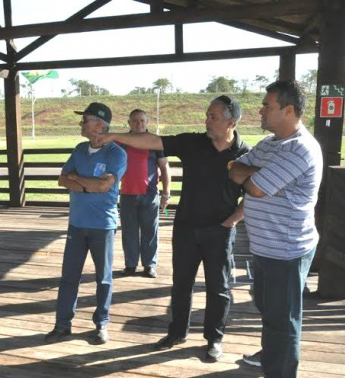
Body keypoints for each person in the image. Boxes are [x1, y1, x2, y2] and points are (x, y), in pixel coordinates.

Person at [94, 96, 249, 361]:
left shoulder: (245, 154)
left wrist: (233, 219)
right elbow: (153, 141)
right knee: (181, 285)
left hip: (219, 232)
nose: (206, 121)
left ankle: (214, 339)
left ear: (230, 122)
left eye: (213, 117)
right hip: (187, 228)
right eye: (207, 115)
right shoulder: (193, 142)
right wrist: (112, 136)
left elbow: (256, 193)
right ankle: (177, 332)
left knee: (218, 287)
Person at [229, 80, 322, 378]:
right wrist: (257, 175)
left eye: (267, 106)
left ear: (288, 110)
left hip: (287, 248)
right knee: (267, 304)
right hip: (264, 245)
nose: (261, 110)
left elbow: (253, 188)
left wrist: (255, 177)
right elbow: (235, 169)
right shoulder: (271, 143)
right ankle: (273, 352)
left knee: (283, 318)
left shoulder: (302, 148)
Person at [44, 102, 127, 345]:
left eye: (86, 120)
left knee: (103, 277)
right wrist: (86, 185)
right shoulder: (79, 149)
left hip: (103, 225)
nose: (81, 123)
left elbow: (104, 186)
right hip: (77, 225)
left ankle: (101, 324)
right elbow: (61, 180)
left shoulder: (116, 154)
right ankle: (62, 325)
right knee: (69, 277)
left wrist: (77, 180)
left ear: (100, 124)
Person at [119, 109, 171, 278]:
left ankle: (149, 265)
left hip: (150, 195)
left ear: (147, 122)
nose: (138, 124)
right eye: (135, 121)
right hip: (127, 194)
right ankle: (130, 264)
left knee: (150, 231)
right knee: (129, 231)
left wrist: (166, 194)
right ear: (129, 123)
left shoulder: (155, 142)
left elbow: (164, 168)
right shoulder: (122, 142)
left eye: (142, 120)